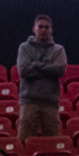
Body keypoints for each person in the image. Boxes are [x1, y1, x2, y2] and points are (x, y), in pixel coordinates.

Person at [16, 15, 66, 143]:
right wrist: (49, 69)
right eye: (40, 27)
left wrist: (36, 65)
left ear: (51, 30)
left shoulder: (59, 49)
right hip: (29, 101)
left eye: (47, 27)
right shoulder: (24, 47)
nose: (43, 30)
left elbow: (60, 70)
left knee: (53, 142)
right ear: (34, 29)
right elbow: (24, 70)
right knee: (24, 141)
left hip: (51, 102)